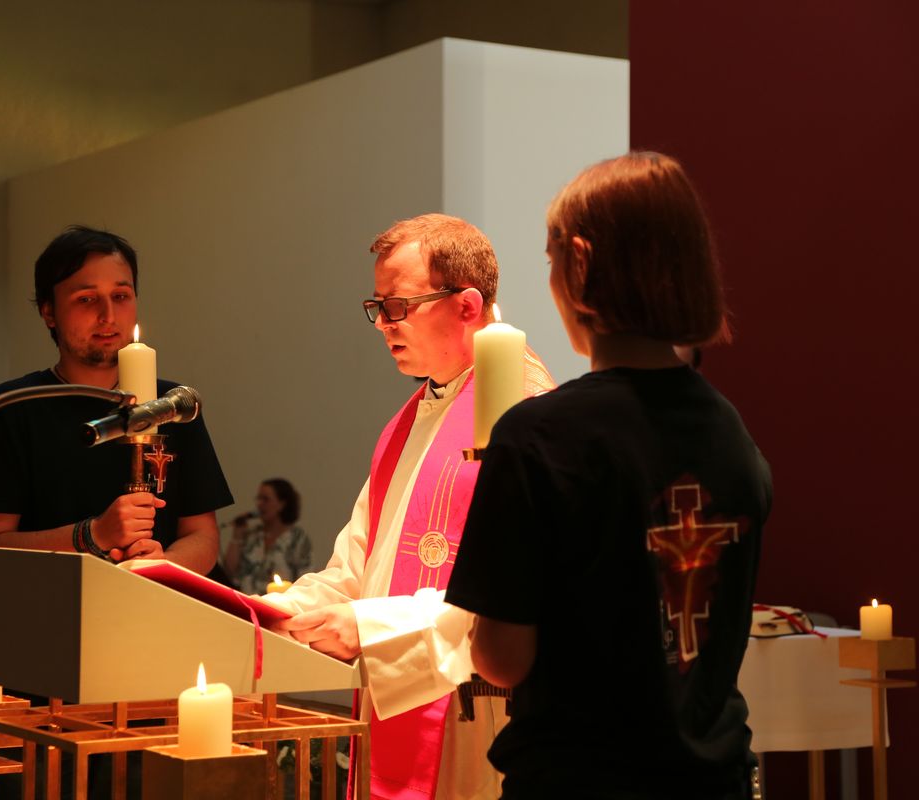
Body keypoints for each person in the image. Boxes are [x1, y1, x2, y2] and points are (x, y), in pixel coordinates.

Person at [445, 152, 771, 799]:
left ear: (581, 264)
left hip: (580, 780)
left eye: (550, 259)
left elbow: (502, 660)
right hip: (712, 780)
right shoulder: (731, 433)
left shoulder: (539, 436)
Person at [260, 213, 554, 800]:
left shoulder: (529, 414)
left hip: (483, 720)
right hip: (397, 701)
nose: (383, 325)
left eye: (398, 306)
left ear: (468, 305)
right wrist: (267, 610)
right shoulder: (407, 423)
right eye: (378, 307)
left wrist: (368, 628)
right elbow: (356, 567)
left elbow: (522, 590)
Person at [0, 225, 233, 570]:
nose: (108, 316)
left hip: (152, 612)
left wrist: (164, 566)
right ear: (48, 311)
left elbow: (202, 536)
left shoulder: (172, 405)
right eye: (86, 299)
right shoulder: (10, 408)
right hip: (48, 610)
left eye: (121, 296)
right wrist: (92, 535)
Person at [223, 478, 312, 595]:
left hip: (279, 606)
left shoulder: (297, 539)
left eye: (265, 499)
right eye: (258, 499)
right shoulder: (252, 535)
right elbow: (229, 572)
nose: (259, 504)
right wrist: (237, 536)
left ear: (281, 504)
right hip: (245, 602)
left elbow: (305, 579)